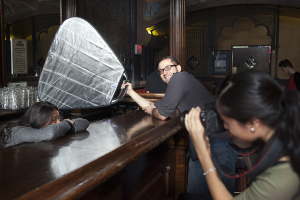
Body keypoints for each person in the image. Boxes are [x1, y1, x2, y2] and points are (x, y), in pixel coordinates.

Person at [121, 56, 238, 195]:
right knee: (195, 195)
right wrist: (131, 92)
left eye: (168, 67)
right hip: (200, 145)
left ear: (179, 68)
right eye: (161, 71)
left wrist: (154, 111)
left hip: (218, 144)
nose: (164, 72)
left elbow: (161, 114)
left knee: (219, 195)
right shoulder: (178, 85)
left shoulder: (180, 78)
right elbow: (152, 106)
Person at [183, 70, 300, 200]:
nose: (225, 127)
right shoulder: (280, 136)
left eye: (227, 123)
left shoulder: (284, 173)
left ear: (253, 123)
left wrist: (203, 153)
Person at [0, 101, 90, 149]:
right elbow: (50, 133)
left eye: (58, 119)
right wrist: (67, 124)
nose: (58, 122)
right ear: (39, 120)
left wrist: (66, 127)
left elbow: (84, 122)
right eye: (54, 120)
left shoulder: (51, 129)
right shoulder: (16, 131)